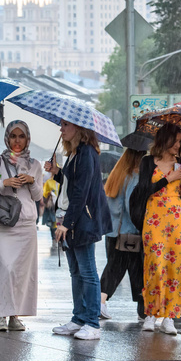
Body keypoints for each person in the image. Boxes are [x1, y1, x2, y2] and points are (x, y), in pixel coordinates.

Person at [45, 120, 111, 340]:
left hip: (83, 221)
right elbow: (69, 183)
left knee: (87, 271)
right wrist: (57, 172)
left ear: (79, 128)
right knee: (75, 271)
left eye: (65, 125)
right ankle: (79, 318)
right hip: (72, 219)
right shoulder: (74, 154)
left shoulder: (86, 153)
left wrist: (67, 223)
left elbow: (81, 192)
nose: (61, 129)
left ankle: (92, 323)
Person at [0, 121, 43, 332]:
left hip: (26, 226)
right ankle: (0, 317)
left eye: (21, 136)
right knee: (4, 269)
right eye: (13, 136)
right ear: (7, 138)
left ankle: (14, 315)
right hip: (2, 224)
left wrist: (31, 181)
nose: (17, 140)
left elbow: (38, 196)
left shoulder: (35, 164)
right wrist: (4, 183)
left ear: (27, 139)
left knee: (21, 274)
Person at [135, 123, 181, 335]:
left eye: (180, 142)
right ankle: (151, 313)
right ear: (165, 140)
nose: (178, 145)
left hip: (177, 218)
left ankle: (170, 316)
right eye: (175, 141)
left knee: (174, 266)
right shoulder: (148, 162)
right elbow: (143, 190)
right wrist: (167, 179)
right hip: (154, 217)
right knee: (155, 264)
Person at [100, 148, 145, 321]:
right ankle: (101, 302)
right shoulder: (133, 177)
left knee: (116, 267)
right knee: (130, 270)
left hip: (113, 232)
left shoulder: (116, 175)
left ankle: (142, 309)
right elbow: (131, 205)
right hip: (129, 232)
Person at [42, 174, 59, 247]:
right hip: (52, 205)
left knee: (57, 221)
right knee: (53, 220)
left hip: (61, 205)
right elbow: (45, 194)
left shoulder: (63, 180)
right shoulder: (48, 181)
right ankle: (54, 237)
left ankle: (58, 237)